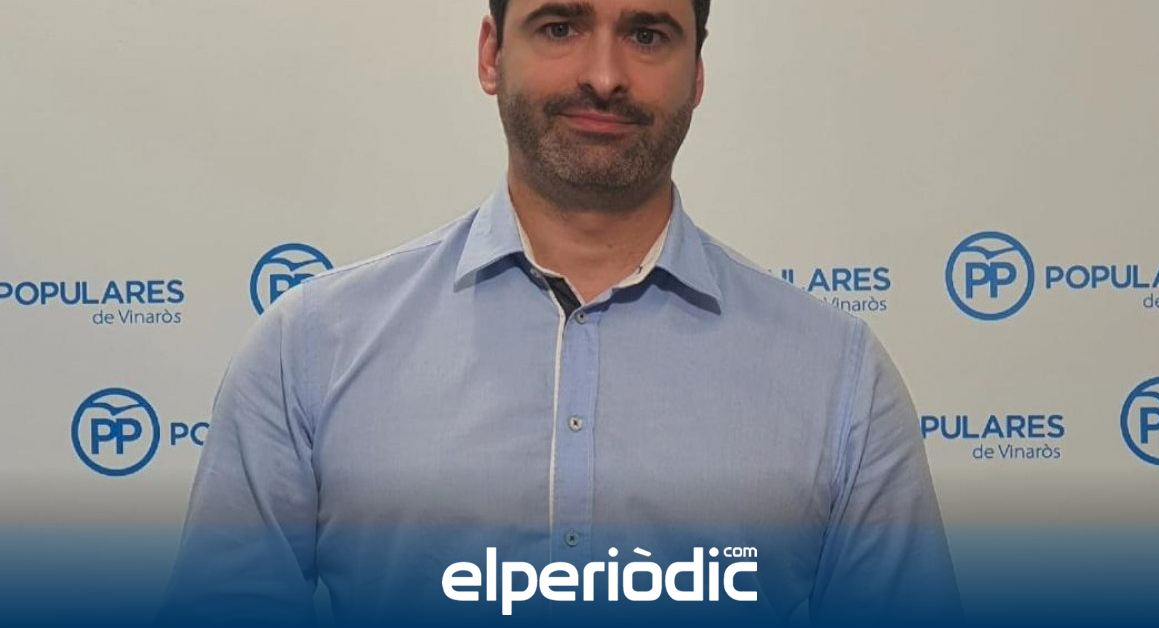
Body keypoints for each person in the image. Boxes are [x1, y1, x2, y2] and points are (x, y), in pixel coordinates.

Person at [159, 1, 962, 626]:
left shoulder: (835, 374)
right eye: (560, 26)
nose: (604, 76)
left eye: (647, 35)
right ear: (490, 55)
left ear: (697, 74)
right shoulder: (311, 347)